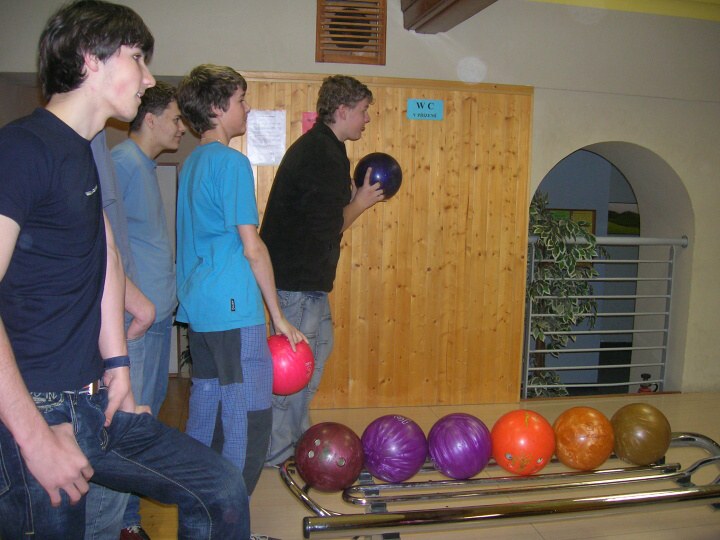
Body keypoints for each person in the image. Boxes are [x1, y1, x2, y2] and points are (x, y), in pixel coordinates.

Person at [0, 2, 249, 539]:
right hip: (31, 412)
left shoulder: (84, 152)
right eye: (137, 58)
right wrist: (35, 438)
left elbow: (105, 255)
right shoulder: (21, 149)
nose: (149, 77)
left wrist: (117, 368)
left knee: (220, 487)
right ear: (91, 59)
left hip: (93, 405)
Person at [175, 64, 306, 497]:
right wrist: (279, 317)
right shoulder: (232, 163)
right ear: (216, 108)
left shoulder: (191, 163)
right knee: (247, 417)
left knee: (208, 408)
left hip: (202, 309)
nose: (246, 109)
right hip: (233, 308)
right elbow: (253, 248)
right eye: (241, 100)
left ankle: (202, 508)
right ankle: (229, 514)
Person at [260, 75, 384, 466]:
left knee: (318, 353)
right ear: (342, 111)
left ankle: (296, 436)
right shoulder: (322, 155)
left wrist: (352, 198)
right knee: (292, 373)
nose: (366, 119)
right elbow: (331, 226)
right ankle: (276, 452)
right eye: (363, 111)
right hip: (296, 284)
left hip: (305, 282)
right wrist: (361, 202)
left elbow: (321, 216)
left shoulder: (325, 149)